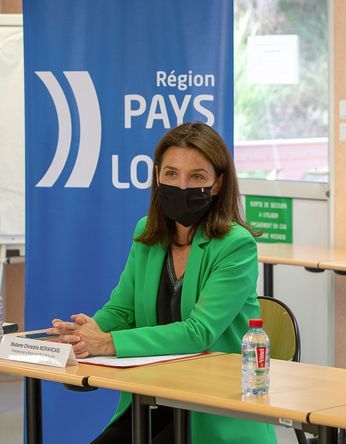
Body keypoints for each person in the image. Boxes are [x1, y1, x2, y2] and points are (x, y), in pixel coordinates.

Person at [47, 122, 276, 443]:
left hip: (213, 407)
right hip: (154, 395)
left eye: (196, 176)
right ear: (157, 176)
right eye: (171, 174)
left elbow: (200, 332)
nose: (181, 185)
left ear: (217, 184)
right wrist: (86, 336)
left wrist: (108, 342)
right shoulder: (148, 233)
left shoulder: (236, 245)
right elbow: (122, 309)